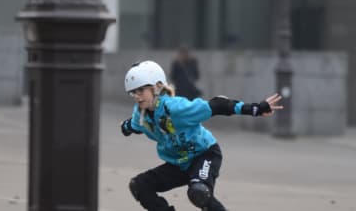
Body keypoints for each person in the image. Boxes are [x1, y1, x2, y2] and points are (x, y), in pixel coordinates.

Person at [121, 60, 283, 211]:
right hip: (178, 164)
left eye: (141, 90)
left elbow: (218, 105)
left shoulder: (176, 108)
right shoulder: (140, 114)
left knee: (198, 192)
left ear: (157, 86)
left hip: (204, 154)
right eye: (133, 93)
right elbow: (135, 125)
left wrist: (255, 109)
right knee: (140, 186)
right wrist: (126, 127)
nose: (137, 96)